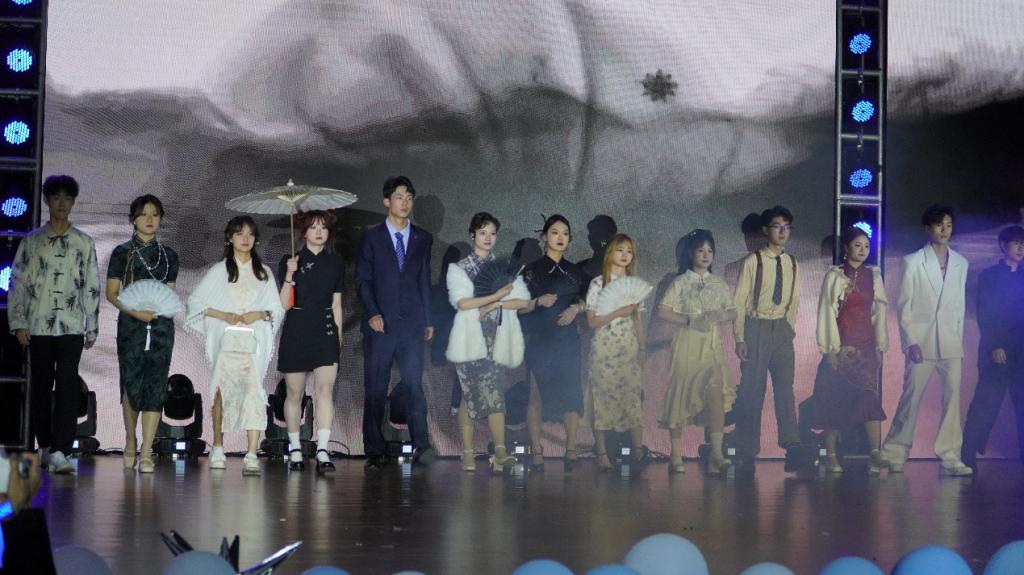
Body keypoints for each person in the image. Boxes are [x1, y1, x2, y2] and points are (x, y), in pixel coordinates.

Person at [8, 175, 101, 475]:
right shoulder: (32, 241)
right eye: (56, 197)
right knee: (40, 387)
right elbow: (17, 283)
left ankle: (62, 450)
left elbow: (91, 285)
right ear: (47, 200)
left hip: (71, 327)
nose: (62, 203)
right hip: (39, 325)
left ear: (73, 202)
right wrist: (18, 322)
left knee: (67, 387)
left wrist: (92, 325)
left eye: (67, 198)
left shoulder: (83, 242)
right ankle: (46, 446)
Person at [185, 216, 284, 476]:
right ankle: (218, 446)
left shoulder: (263, 272)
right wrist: (225, 315)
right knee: (221, 392)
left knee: (254, 393)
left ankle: (251, 453)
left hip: (252, 341)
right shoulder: (220, 271)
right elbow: (196, 303)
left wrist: (258, 314)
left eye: (250, 234)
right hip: (227, 340)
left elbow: (275, 309)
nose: (245, 239)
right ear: (230, 238)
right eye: (240, 233)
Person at [881, 205, 972, 475]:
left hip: (951, 342)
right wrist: (910, 342)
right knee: (911, 398)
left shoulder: (961, 263)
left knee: (953, 400)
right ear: (927, 228)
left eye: (948, 225)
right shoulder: (913, 261)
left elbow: (959, 306)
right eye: (939, 224)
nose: (944, 230)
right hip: (921, 341)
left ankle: (950, 456)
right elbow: (904, 305)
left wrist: (959, 340)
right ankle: (895, 453)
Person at [356, 176, 435, 471]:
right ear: (387, 201)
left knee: (414, 385)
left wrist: (428, 318)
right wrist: (372, 313)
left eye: (409, 197)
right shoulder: (372, 237)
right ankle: (374, 450)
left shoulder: (422, 238)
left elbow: (424, 279)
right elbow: (363, 280)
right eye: (399, 197)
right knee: (376, 387)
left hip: (412, 324)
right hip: (380, 324)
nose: (405, 202)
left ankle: (421, 445)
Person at [445, 212, 531, 473]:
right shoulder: (459, 268)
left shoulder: (504, 267)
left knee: (495, 390)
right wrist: (496, 296)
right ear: (472, 235)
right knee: (469, 395)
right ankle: (469, 452)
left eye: (492, 233)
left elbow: (523, 301)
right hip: (469, 338)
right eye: (483, 232)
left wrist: (496, 303)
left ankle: (499, 451)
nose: (488, 238)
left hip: (497, 338)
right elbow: (463, 303)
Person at [105, 195, 180, 473]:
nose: (150, 219)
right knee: (132, 382)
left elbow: (167, 294)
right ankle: (130, 439)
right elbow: (112, 293)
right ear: (133, 219)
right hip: (131, 326)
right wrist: (136, 313)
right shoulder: (122, 252)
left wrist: (156, 311)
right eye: (143, 214)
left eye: (155, 214)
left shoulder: (169, 255)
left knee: (156, 385)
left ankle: (147, 451)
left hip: (160, 326)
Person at [805, 226, 888, 475]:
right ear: (846, 248)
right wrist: (830, 349)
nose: (862, 250)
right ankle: (831, 455)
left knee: (869, 397)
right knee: (835, 400)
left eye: (866, 246)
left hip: (866, 345)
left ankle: (875, 453)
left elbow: (879, 314)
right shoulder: (835, 276)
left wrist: (880, 346)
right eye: (857, 245)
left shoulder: (873, 276)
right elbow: (826, 312)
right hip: (842, 344)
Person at [657, 230, 737, 474]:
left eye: (709, 251)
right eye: (700, 250)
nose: (705, 255)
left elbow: (733, 310)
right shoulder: (680, 282)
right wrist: (689, 320)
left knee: (715, 390)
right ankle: (676, 455)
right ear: (691, 253)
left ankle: (716, 453)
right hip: (687, 344)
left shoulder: (718, 283)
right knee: (681, 395)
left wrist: (720, 314)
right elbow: (663, 311)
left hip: (711, 346)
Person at [731, 206, 802, 473]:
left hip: (781, 329)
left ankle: (792, 444)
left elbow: (794, 299)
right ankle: (747, 450)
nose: (782, 232)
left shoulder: (792, 262)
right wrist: (740, 337)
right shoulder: (754, 261)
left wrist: (788, 328)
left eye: (787, 227)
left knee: (785, 389)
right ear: (765, 230)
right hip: (756, 327)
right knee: (752, 390)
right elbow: (739, 301)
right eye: (777, 226)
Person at [277, 210, 345, 473]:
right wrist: (289, 274)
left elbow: (336, 304)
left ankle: (323, 450)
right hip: (297, 328)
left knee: (325, 390)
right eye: (313, 227)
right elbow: (284, 303)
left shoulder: (335, 262)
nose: (319, 232)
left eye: (323, 227)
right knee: (295, 393)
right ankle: (295, 449)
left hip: (325, 330)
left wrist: (338, 337)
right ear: (303, 232)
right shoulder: (291, 260)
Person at [520, 214, 586, 471]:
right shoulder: (531, 270)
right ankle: (537, 450)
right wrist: (537, 301)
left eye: (565, 234)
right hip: (540, 339)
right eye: (555, 232)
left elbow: (588, 300)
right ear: (544, 236)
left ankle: (571, 450)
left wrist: (576, 309)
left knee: (571, 393)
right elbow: (517, 307)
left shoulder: (576, 271)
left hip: (568, 340)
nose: (560, 237)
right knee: (535, 394)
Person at [961, 225, 1024, 473]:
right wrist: (995, 344)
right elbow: (985, 313)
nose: (1021, 248)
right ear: (1003, 246)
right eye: (1016, 243)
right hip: (996, 350)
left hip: (1021, 351)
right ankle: (967, 454)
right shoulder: (989, 276)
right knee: (985, 404)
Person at [585, 233, 648, 471]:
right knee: (601, 400)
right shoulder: (597, 284)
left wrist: (642, 348)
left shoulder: (634, 285)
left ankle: (638, 451)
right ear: (610, 252)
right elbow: (591, 321)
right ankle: (602, 453)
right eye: (620, 249)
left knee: (632, 400)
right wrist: (617, 313)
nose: (624, 255)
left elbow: (638, 320)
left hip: (629, 348)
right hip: (604, 349)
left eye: (629, 251)